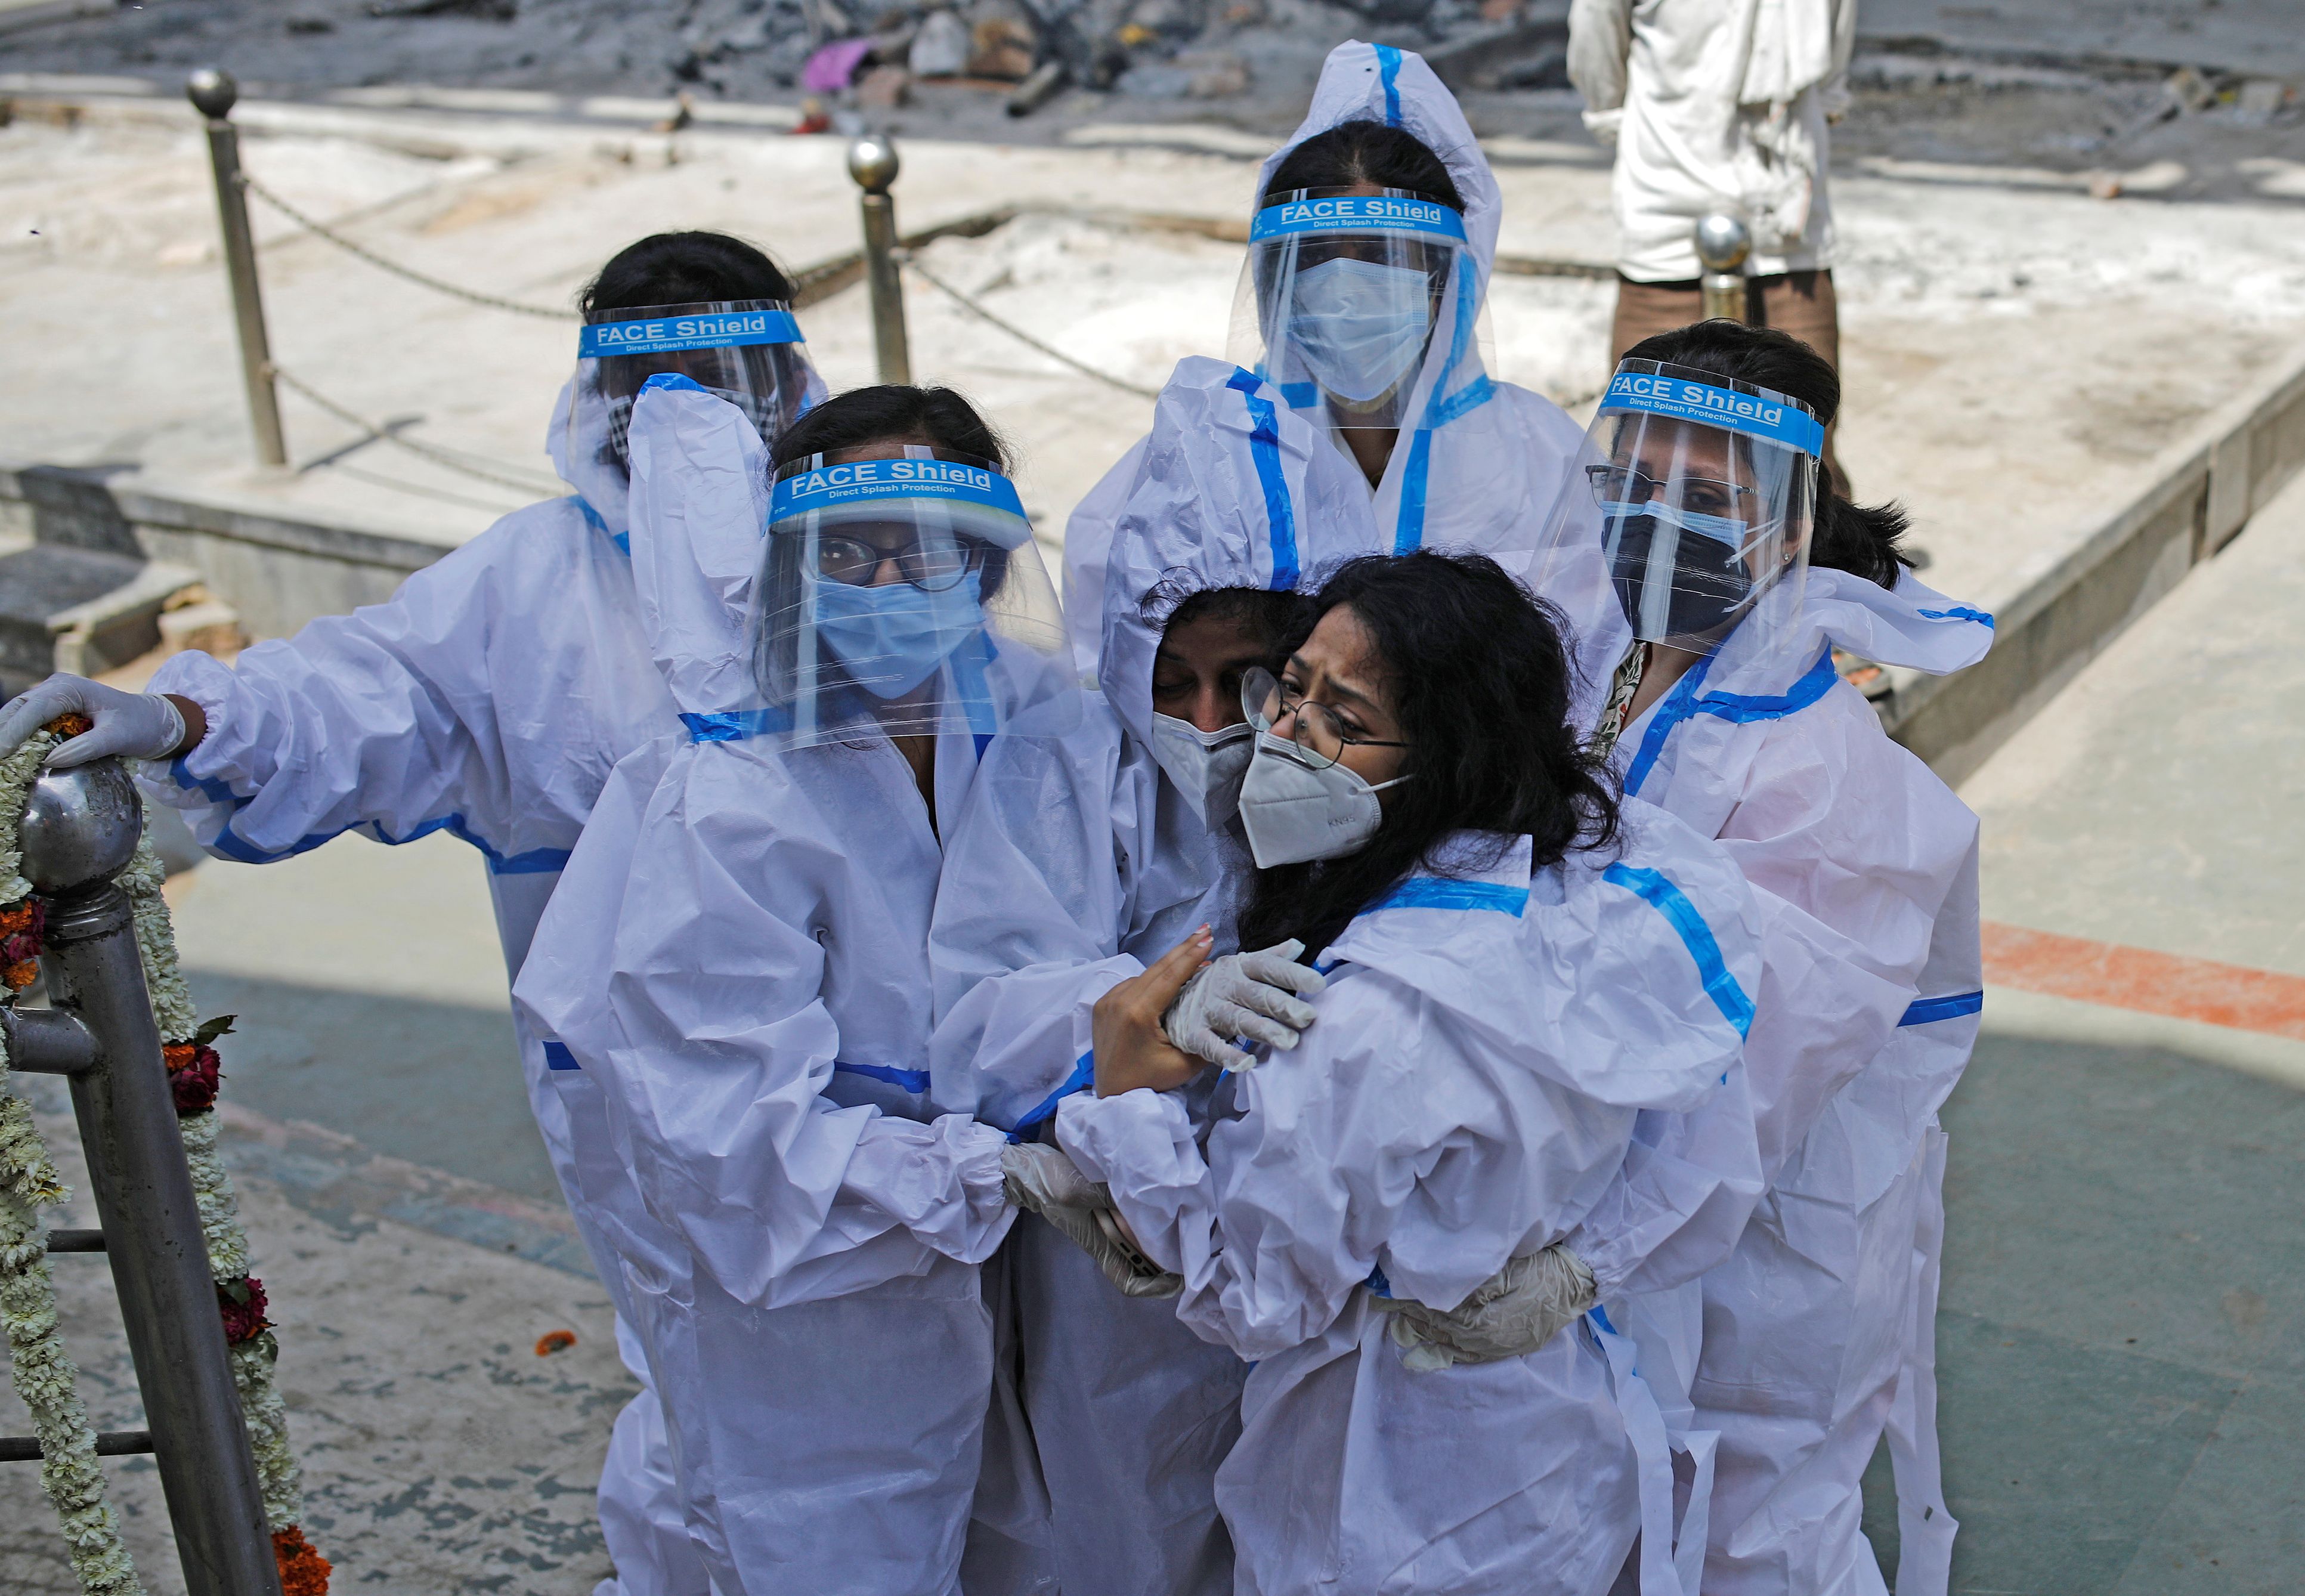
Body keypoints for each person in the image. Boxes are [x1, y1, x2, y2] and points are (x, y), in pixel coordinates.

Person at [0, 230, 827, 1596]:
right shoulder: (523, 590)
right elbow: (366, 697)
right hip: (637, 1099)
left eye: (724, 376)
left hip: (861, 1066)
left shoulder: (853, 558)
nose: (688, 416)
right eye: (653, 381)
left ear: (789, 387)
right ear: (596, 401)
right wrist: (197, 712)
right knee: (706, 1396)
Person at [1045, 550, 1765, 1595]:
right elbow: (1710, 1131)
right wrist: (1585, 1265)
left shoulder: (1366, 1021)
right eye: (1290, 689)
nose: (1285, 737)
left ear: (1450, 756)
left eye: (1344, 719)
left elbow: (1256, 1299)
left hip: (1387, 1486)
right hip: (1551, 1437)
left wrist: (1127, 1116)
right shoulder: (1607, 890)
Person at [513, 380, 1080, 1595]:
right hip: (813, 1307)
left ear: (988, 570)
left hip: (1028, 1265)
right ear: (794, 569)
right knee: (824, 1550)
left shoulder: (1042, 724)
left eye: (925, 552)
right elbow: (732, 1147)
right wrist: (992, 1171)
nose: (887, 586)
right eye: (853, 553)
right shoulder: (732, 785)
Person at [1541, 320, 1990, 1594]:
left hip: (1762, 1229)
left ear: (1789, 527)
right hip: (1595, 1177)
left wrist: (1586, 1253)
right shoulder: (1587, 658)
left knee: (1756, 1526)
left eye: (1702, 498)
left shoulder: (1834, 784)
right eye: (1629, 481)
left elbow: (1749, 1081)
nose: (1653, 521)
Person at [928, 369, 1386, 1595]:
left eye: (1248, 679)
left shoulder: (1378, 766)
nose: (1205, 719)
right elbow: (980, 1002)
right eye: (1168, 679)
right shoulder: (1070, 766)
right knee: (1124, 1531)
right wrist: (1141, 1005)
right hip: (1115, 1274)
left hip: (1315, 1243)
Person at [1060, 41, 1585, 673]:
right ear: (1271, 281)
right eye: (1314, 258)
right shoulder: (1200, 456)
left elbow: (1588, 672)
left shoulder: (1546, 460)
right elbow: (1115, 663)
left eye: (1379, 257)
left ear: (1445, 278)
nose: (1343, 290)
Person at [1567, 0, 1855, 481]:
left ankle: (1810, 553)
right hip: (1668, 198)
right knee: (1647, 439)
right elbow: (1598, 46)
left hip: (1787, 214)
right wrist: (1628, 127)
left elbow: (1832, 64)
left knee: (1807, 450)